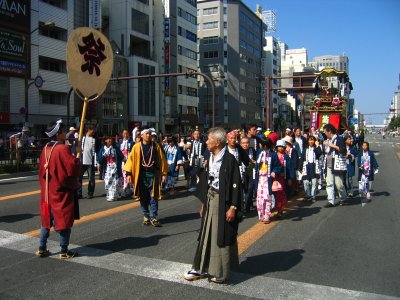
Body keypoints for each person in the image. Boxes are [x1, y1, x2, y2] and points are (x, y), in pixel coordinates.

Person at [184, 127, 242, 284]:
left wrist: (233, 207)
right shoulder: (210, 156)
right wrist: (204, 202)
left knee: (220, 235)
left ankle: (222, 272)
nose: (206, 141)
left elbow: (236, 184)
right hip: (210, 199)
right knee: (205, 233)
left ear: (217, 142)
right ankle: (199, 267)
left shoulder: (229, 160)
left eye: (209, 139)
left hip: (223, 201)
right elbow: (206, 180)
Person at [36, 120, 81, 259]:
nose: (65, 133)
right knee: (63, 221)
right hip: (60, 192)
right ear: (58, 134)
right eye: (63, 131)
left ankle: (42, 248)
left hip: (48, 192)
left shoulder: (45, 149)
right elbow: (73, 169)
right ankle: (64, 250)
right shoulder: (62, 149)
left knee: (46, 220)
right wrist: (77, 156)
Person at [123, 127, 169, 227]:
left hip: (153, 175)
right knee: (143, 197)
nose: (148, 135)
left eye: (149, 134)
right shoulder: (136, 147)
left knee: (154, 197)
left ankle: (154, 217)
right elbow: (130, 161)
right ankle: (146, 216)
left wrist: (164, 173)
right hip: (141, 176)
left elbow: (162, 160)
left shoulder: (156, 146)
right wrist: (128, 174)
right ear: (142, 136)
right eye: (146, 134)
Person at [255, 138, 281, 224]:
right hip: (259, 179)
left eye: (264, 145)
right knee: (260, 198)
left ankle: (267, 215)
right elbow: (256, 166)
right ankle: (261, 215)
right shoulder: (259, 153)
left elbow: (278, 166)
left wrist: (274, 171)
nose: (263, 146)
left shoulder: (273, 154)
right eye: (263, 144)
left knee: (267, 197)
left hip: (268, 178)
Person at [323, 123, 347, 207]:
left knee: (339, 183)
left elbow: (344, 151)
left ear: (329, 131)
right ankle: (331, 201)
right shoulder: (328, 140)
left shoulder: (339, 139)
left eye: (325, 131)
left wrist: (333, 146)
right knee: (329, 183)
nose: (324, 133)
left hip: (337, 164)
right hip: (329, 164)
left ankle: (343, 198)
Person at [98, 136, 124, 201]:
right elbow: (100, 160)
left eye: (110, 139)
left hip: (115, 168)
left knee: (115, 182)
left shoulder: (115, 148)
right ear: (105, 141)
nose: (109, 140)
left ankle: (114, 195)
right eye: (108, 139)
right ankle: (110, 195)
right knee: (108, 182)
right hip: (107, 168)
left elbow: (121, 156)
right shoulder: (102, 149)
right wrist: (104, 157)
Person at [274, 139, 295, 218]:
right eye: (279, 146)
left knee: (281, 194)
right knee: (274, 195)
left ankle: (280, 210)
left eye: (283, 147)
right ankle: (276, 209)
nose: (281, 148)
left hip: (283, 179)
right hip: (274, 179)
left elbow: (290, 168)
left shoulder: (286, 157)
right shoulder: (273, 156)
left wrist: (290, 178)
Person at [300, 136, 322, 201]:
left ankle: (313, 195)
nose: (311, 141)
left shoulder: (316, 148)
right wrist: (300, 167)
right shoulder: (305, 149)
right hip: (306, 166)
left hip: (314, 166)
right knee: (306, 182)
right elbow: (302, 158)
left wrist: (318, 145)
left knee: (314, 182)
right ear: (307, 141)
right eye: (310, 140)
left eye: (312, 140)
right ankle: (308, 195)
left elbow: (319, 153)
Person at [78, 125, 97, 199]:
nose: (93, 132)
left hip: (90, 160)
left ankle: (90, 192)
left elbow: (94, 151)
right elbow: (78, 148)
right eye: (92, 130)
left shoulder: (93, 139)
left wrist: (95, 161)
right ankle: (79, 193)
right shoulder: (82, 138)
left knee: (91, 178)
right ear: (89, 130)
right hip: (82, 160)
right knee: (79, 177)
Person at [240, 136, 257, 213]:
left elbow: (256, 160)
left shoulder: (252, 150)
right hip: (242, 171)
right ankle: (245, 204)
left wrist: (254, 162)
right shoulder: (238, 151)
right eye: (243, 143)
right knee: (244, 189)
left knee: (250, 189)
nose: (245, 144)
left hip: (251, 171)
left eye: (247, 143)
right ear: (240, 144)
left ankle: (246, 207)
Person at [118, 129, 134, 198]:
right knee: (123, 175)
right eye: (124, 133)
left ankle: (129, 190)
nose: (125, 135)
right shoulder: (120, 142)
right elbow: (119, 152)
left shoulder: (131, 142)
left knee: (128, 175)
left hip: (129, 160)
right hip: (122, 161)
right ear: (122, 134)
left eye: (127, 133)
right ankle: (125, 190)